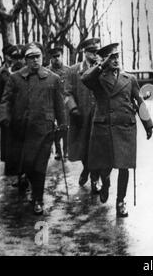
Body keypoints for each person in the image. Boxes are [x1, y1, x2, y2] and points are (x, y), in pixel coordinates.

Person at [81, 43, 153, 217]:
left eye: (116, 57)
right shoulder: (97, 78)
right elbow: (85, 79)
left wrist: (148, 124)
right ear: (104, 60)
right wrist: (100, 66)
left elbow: (139, 102)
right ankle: (105, 182)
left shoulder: (129, 79)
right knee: (105, 166)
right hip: (104, 128)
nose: (115, 60)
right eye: (110, 58)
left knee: (124, 167)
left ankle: (121, 201)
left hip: (125, 127)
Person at [0, 42, 66, 215]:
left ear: (42, 58)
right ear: (26, 60)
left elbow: (59, 105)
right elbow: (6, 100)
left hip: (44, 131)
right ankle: (33, 189)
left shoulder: (53, 79)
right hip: (22, 131)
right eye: (30, 57)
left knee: (40, 167)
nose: (35, 60)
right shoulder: (16, 78)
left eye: (37, 56)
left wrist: (63, 124)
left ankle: (38, 199)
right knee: (27, 166)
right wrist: (5, 117)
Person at [65, 38, 102, 193]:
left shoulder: (102, 69)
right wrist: (73, 109)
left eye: (97, 52)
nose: (95, 55)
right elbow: (66, 93)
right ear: (84, 52)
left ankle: (95, 178)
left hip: (100, 117)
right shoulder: (73, 70)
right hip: (81, 117)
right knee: (84, 147)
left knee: (98, 148)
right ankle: (86, 169)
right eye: (92, 52)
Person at [0, 44, 25, 177]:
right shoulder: (2, 72)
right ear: (9, 58)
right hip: (8, 114)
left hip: (26, 114)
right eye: (15, 57)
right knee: (10, 147)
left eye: (21, 57)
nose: (19, 60)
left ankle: (25, 174)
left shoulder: (29, 71)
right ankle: (14, 174)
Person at [49, 45, 70, 161]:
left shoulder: (68, 70)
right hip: (52, 104)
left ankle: (66, 150)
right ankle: (58, 151)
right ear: (50, 58)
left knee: (66, 128)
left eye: (58, 56)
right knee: (55, 129)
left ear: (61, 56)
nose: (56, 59)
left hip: (65, 104)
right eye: (54, 57)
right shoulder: (47, 71)